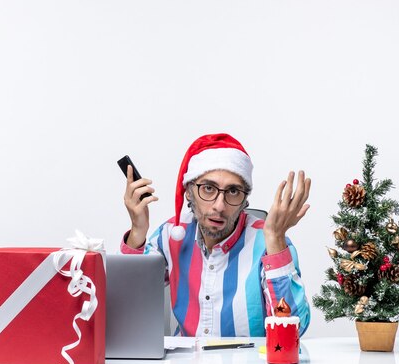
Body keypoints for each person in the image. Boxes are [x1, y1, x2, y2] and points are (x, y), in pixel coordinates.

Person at [120, 133, 311, 337]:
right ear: (189, 191)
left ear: (245, 199)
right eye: (208, 188)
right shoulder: (171, 235)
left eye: (233, 191)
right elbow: (127, 304)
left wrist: (275, 237)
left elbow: (293, 332)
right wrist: (137, 231)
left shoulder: (270, 243)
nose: (219, 206)